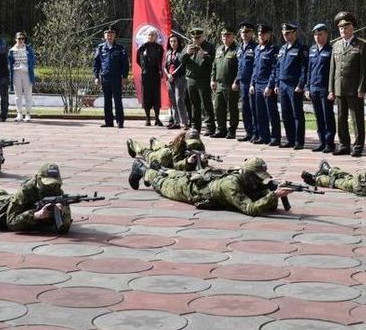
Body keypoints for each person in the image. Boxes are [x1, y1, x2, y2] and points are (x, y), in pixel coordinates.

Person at [128, 157, 294, 216]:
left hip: (204, 179)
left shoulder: (246, 178)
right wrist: (274, 195)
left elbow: (269, 206)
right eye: (258, 178)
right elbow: (250, 208)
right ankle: (141, 169)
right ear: (249, 174)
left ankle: (162, 169)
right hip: (190, 190)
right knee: (161, 183)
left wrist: (270, 190)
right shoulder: (231, 185)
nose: (260, 181)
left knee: (171, 173)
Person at [328, 12, 366, 157]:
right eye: (341, 28)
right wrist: (331, 89)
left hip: (354, 89)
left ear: (353, 28)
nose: (343, 30)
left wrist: (362, 88)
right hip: (339, 88)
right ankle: (344, 144)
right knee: (340, 118)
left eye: (346, 27)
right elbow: (332, 70)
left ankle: (358, 146)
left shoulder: (361, 45)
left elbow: (365, 70)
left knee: (356, 119)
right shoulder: (336, 45)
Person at [276, 23, 308, 149]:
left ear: (294, 33)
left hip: (294, 85)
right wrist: (277, 83)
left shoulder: (302, 48)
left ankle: (299, 141)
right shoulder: (283, 48)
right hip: (283, 84)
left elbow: (304, 69)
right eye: (284, 34)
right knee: (285, 113)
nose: (286, 36)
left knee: (297, 114)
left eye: (288, 33)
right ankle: (290, 139)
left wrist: (301, 84)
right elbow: (278, 67)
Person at [305, 23, 335, 153]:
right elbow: (309, 70)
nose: (317, 37)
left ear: (326, 35)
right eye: (316, 35)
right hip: (313, 88)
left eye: (320, 34)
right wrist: (307, 87)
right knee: (318, 116)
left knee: (327, 116)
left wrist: (331, 90)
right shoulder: (312, 50)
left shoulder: (331, 50)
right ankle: (321, 142)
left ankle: (330, 143)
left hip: (325, 88)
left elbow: (333, 72)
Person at [250, 24, 281, 146]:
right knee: (260, 113)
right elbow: (254, 68)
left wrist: (270, 86)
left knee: (271, 113)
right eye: (259, 34)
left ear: (269, 34)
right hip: (257, 84)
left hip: (267, 85)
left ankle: (275, 137)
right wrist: (252, 83)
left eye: (263, 34)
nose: (261, 36)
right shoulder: (257, 49)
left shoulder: (273, 49)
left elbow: (274, 69)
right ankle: (264, 136)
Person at [93, 24, 129, 128]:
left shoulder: (120, 48)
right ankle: (109, 122)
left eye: (111, 34)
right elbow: (96, 63)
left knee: (118, 100)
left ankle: (120, 121)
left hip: (116, 78)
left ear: (115, 36)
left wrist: (124, 77)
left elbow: (125, 64)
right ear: (104, 36)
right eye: (107, 34)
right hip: (105, 77)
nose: (109, 36)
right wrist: (96, 76)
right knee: (107, 101)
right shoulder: (100, 48)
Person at [182, 27, 215, 136]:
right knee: (194, 104)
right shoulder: (188, 46)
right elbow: (180, 61)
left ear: (203, 36)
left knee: (206, 104)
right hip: (191, 79)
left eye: (198, 37)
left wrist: (204, 56)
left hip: (203, 79)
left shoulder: (209, 47)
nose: (196, 39)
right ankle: (195, 126)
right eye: (194, 37)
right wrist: (186, 53)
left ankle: (210, 127)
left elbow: (214, 63)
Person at [126, 129, 208, 171]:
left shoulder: (199, 145)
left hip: (169, 150)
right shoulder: (179, 145)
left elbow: (202, 164)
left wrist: (204, 161)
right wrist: (187, 162)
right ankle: (131, 143)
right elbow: (176, 164)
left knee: (164, 146)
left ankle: (154, 141)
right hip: (165, 157)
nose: (194, 145)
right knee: (147, 153)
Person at [211, 26, 239, 139]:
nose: (225, 37)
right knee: (218, 108)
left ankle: (232, 130)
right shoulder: (219, 49)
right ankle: (221, 129)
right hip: (219, 84)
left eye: (227, 35)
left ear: (233, 36)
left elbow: (240, 68)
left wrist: (236, 82)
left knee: (232, 108)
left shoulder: (237, 50)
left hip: (230, 85)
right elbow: (214, 66)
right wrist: (212, 79)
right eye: (223, 35)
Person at [234, 22, 257, 142]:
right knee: (245, 108)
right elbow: (239, 66)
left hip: (252, 82)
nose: (244, 34)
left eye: (247, 32)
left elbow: (255, 67)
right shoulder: (240, 47)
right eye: (243, 32)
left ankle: (255, 133)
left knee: (253, 108)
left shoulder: (255, 47)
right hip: (242, 82)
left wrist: (253, 82)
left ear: (252, 33)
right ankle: (248, 132)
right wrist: (236, 81)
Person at [136, 29, 164, 126]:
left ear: (156, 37)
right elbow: (138, 60)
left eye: (153, 35)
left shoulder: (159, 48)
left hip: (156, 74)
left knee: (156, 96)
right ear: (146, 36)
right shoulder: (142, 48)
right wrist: (145, 68)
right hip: (146, 74)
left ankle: (157, 119)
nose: (151, 37)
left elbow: (161, 61)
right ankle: (148, 119)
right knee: (146, 96)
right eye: (149, 35)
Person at [8, 31, 36, 122]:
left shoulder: (28, 49)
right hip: (16, 73)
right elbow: (9, 63)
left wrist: (28, 66)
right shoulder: (12, 50)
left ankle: (27, 114)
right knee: (18, 95)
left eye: (23, 38)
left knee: (28, 94)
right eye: (19, 38)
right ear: (15, 39)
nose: (21, 40)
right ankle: (19, 113)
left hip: (27, 73)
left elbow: (33, 60)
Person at [164, 33, 189, 130]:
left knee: (179, 100)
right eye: (171, 41)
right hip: (169, 79)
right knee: (173, 101)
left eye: (174, 41)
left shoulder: (181, 52)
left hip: (179, 78)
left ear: (178, 42)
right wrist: (168, 74)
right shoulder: (168, 53)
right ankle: (176, 122)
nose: (173, 43)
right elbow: (165, 66)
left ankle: (184, 122)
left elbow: (182, 65)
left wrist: (173, 74)